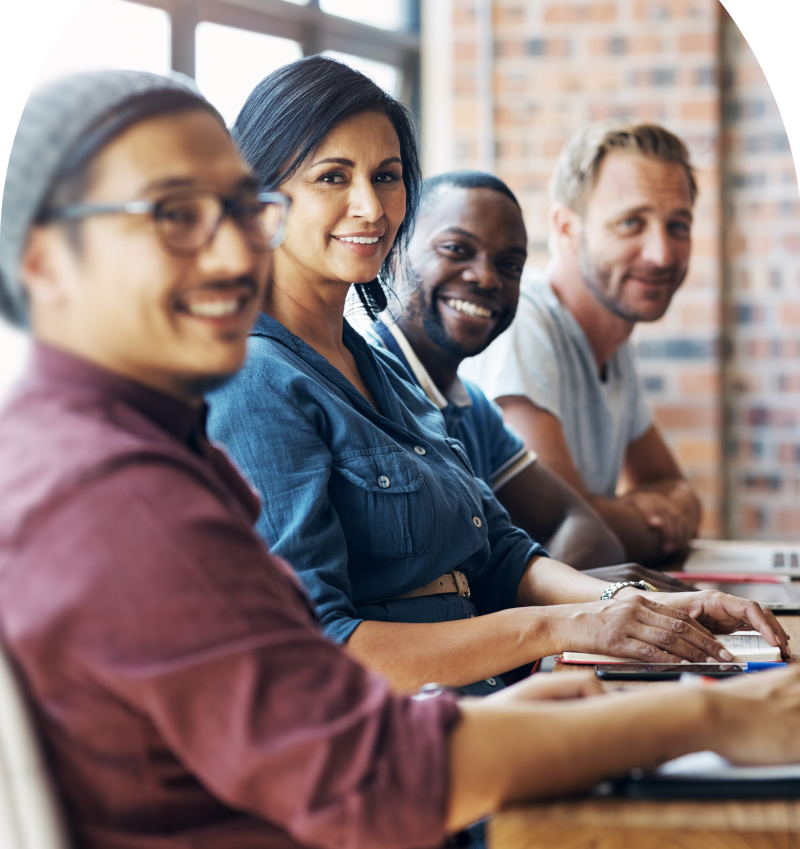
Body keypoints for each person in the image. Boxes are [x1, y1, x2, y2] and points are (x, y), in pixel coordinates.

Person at [0, 70, 796, 849]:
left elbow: (323, 709)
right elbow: (367, 775)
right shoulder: (117, 492)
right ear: (43, 262)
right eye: (174, 215)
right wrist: (710, 715)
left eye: (240, 209)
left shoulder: (138, 438)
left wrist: (608, 642)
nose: (233, 250)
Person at [208, 57, 780, 699]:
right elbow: (321, 649)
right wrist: (565, 627)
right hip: (407, 750)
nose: (370, 206)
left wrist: (639, 605)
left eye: (388, 176)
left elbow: (505, 553)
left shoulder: (374, 366)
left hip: (498, 703)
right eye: (332, 177)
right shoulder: (253, 380)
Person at [367, 169, 683, 589]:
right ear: (393, 251)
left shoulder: (473, 408)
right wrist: (560, 593)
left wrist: (564, 590)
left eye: (509, 265)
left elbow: (589, 531)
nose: (486, 277)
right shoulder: (361, 384)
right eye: (457, 248)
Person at [462, 122, 703, 566]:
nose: (662, 253)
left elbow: (675, 487)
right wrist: (651, 520)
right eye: (631, 223)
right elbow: (565, 531)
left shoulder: (615, 334)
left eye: (678, 226)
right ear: (566, 227)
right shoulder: (523, 323)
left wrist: (661, 508)